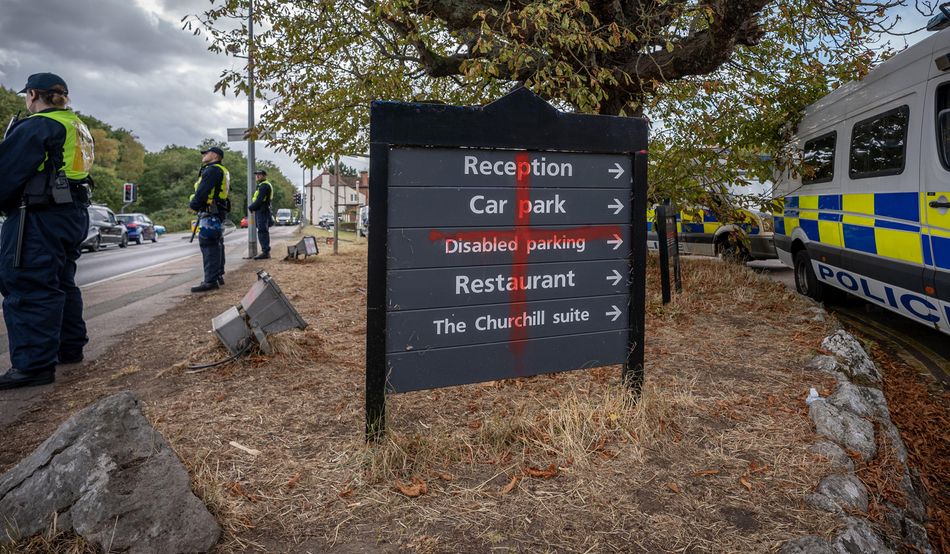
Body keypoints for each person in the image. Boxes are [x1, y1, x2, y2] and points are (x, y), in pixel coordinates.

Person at [0, 73, 94, 390]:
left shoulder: (38, 125)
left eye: (27, 95)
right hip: (71, 211)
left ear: (34, 95)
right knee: (60, 281)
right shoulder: (77, 125)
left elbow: (6, 172)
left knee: (28, 282)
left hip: (38, 214)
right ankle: (69, 348)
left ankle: (33, 366)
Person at [189, 146, 230, 292]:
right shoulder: (222, 170)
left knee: (209, 245)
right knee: (217, 243)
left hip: (210, 212)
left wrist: (193, 205)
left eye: (206, 153)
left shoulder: (212, 170)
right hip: (217, 211)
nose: (204, 155)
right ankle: (217, 275)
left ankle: (210, 281)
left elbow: (202, 191)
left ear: (214, 155)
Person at [248, 169, 272, 259]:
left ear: (264, 176)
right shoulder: (262, 185)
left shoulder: (264, 186)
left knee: (262, 231)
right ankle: (265, 251)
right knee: (262, 231)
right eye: (257, 174)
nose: (257, 176)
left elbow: (260, 199)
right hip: (261, 210)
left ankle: (265, 252)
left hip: (262, 210)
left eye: (260, 174)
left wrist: (251, 207)